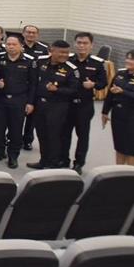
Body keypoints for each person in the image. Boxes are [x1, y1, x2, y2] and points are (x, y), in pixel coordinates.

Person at [26, 40, 80, 170]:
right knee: (41, 133)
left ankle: (53, 163)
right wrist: (31, 102)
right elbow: (34, 83)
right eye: (61, 52)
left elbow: (74, 90)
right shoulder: (41, 62)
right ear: (52, 51)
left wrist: (57, 90)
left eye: (67, 52)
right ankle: (43, 160)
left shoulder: (71, 69)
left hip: (57, 106)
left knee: (54, 135)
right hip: (40, 104)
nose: (64, 55)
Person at [63, 32, 108, 173]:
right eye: (79, 43)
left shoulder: (97, 63)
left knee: (82, 136)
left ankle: (79, 163)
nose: (81, 46)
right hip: (67, 104)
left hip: (84, 105)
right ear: (74, 44)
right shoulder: (67, 60)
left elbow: (103, 83)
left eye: (85, 43)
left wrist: (93, 84)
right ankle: (63, 159)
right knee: (64, 134)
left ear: (91, 45)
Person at [0, 35, 37, 169]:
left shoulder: (29, 61)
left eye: (14, 44)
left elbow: (33, 84)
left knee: (16, 130)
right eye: (8, 44)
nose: (11, 47)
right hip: (1, 98)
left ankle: (13, 156)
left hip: (19, 99)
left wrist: (30, 102)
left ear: (21, 46)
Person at [102, 49, 134, 166]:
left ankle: (131, 173)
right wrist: (105, 112)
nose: (128, 61)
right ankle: (119, 171)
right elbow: (110, 94)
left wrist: (122, 91)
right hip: (118, 114)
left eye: (132, 59)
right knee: (120, 146)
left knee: (133, 148)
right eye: (128, 58)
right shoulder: (120, 74)